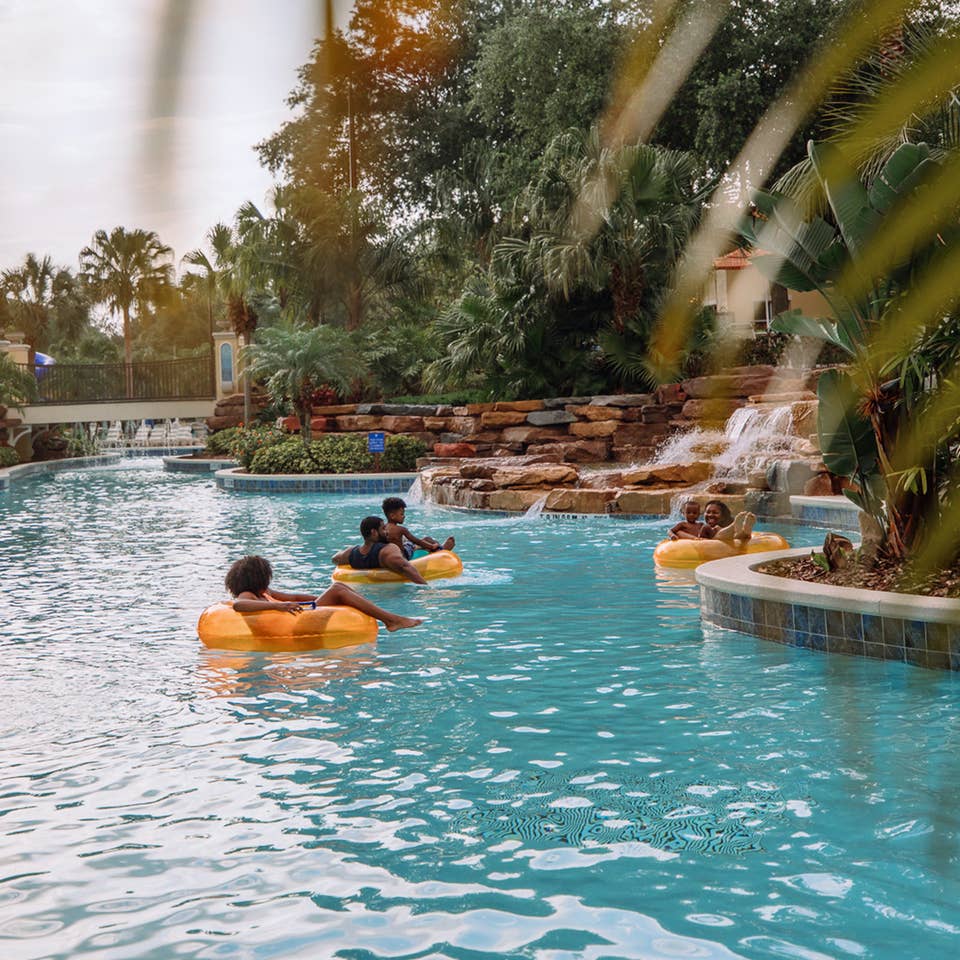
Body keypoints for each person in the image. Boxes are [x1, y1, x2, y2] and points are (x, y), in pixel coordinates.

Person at [224, 554, 423, 631]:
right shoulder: (248, 595)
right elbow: (239, 605)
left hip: (299, 617)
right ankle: (391, 620)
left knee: (339, 589)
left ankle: (385, 616)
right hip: (295, 624)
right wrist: (278, 605)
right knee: (337, 589)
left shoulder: (264, 592)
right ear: (256, 579)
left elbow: (293, 597)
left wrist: (319, 596)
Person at [331, 516, 429, 585]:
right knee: (413, 544)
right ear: (374, 532)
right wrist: (427, 588)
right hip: (393, 596)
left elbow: (335, 559)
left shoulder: (352, 553)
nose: (386, 532)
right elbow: (405, 567)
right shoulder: (387, 550)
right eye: (383, 529)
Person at [381, 496, 455, 559]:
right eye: (401, 514)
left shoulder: (383, 528)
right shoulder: (401, 529)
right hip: (404, 555)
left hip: (393, 555)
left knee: (410, 543)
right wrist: (432, 546)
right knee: (426, 539)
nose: (404, 516)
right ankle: (442, 549)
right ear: (392, 516)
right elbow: (416, 541)